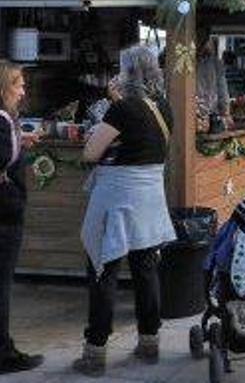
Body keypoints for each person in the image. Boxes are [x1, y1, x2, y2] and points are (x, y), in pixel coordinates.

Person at [74, 45, 177, 377]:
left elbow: (91, 153)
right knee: (146, 271)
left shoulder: (121, 110)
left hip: (117, 199)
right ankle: (149, 343)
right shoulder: (163, 108)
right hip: (149, 199)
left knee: (103, 272)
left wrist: (112, 106)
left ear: (128, 72)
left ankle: (95, 352)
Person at [0, 62, 44, 375]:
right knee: (2, 286)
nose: (23, 90)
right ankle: (4, 353)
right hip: (4, 213)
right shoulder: (2, 121)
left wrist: (20, 145)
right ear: (4, 89)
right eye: (19, 85)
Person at [195, 35, 230, 117]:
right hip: (200, 112)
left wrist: (225, 111)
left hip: (208, 113)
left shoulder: (215, 63)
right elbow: (223, 91)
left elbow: (223, 91)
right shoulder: (214, 62)